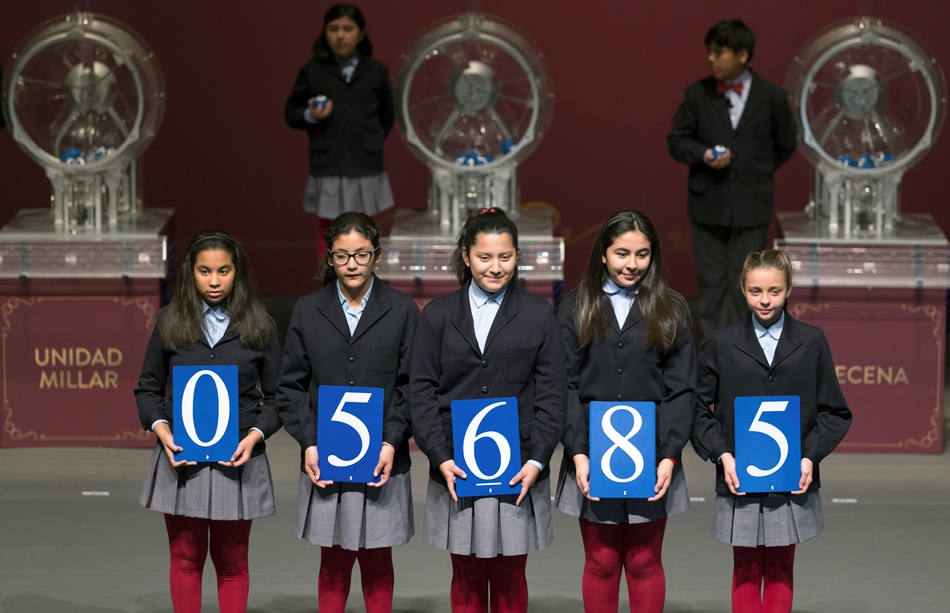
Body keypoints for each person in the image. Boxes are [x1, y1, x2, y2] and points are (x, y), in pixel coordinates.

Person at [409, 208, 566, 613]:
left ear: (517, 256)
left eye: (505, 257)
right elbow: (421, 389)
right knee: (466, 576)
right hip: (456, 466)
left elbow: (551, 392)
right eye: (485, 257)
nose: (495, 268)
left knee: (512, 576)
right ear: (466, 256)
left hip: (519, 466)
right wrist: (439, 456)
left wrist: (538, 459)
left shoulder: (537, 314)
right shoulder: (438, 315)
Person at [691, 249, 852, 613]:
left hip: (792, 477)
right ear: (742, 290)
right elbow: (699, 410)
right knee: (745, 570)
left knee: (781, 569)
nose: (765, 300)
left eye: (775, 291)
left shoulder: (812, 341)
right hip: (739, 478)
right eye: (756, 291)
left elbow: (835, 411)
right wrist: (722, 454)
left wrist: (810, 456)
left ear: (789, 289)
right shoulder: (721, 343)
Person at [555, 210, 696, 613]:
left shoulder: (671, 308)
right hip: (589, 454)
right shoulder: (575, 307)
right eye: (621, 253)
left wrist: (669, 455)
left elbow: (682, 388)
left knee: (644, 560)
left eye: (642, 254)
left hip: (651, 454)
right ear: (603, 253)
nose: (632, 264)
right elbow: (564, 384)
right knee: (600, 561)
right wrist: (578, 451)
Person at [276, 212, 418, 613]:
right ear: (329, 258)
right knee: (333, 562)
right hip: (326, 456)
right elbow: (289, 386)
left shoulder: (403, 310)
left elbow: (411, 386)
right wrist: (309, 442)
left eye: (361, 254)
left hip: (384, 459)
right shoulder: (308, 310)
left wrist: (392, 440)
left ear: (376, 256)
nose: (352, 263)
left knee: (377, 560)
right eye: (342, 255)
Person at [135, 230, 282, 613]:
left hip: (238, 459)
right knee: (185, 558)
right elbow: (148, 389)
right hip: (181, 459)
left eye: (223, 271)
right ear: (191, 272)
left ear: (238, 273)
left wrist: (255, 435)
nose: (214, 281)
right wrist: (161, 429)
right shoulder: (170, 322)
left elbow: (281, 397)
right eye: (205, 271)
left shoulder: (260, 326)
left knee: (233, 564)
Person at [667, 19, 797, 342]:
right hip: (707, 203)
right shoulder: (697, 94)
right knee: (711, 286)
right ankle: (713, 353)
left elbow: (785, 145)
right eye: (709, 52)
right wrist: (704, 155)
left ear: (742, 55)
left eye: (719, 52)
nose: (711, 59)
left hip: (752, 205)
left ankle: (743, 353)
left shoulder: (772, 97)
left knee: (749, 285)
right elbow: (677, 140)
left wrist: (756, 170)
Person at [284, 4, 395, 257]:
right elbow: (291, 113)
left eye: (348, 28)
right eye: (334, 29)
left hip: (365, 162)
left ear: (361, 32)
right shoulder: (312, 70)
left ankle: (368, 291)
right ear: (325, 33)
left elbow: (387, 117)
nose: (340, 35)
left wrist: (370, 139)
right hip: (328, 163)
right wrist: (311, 115)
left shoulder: (376, 71)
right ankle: (329, 291)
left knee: (366, 232)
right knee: (329, 232)